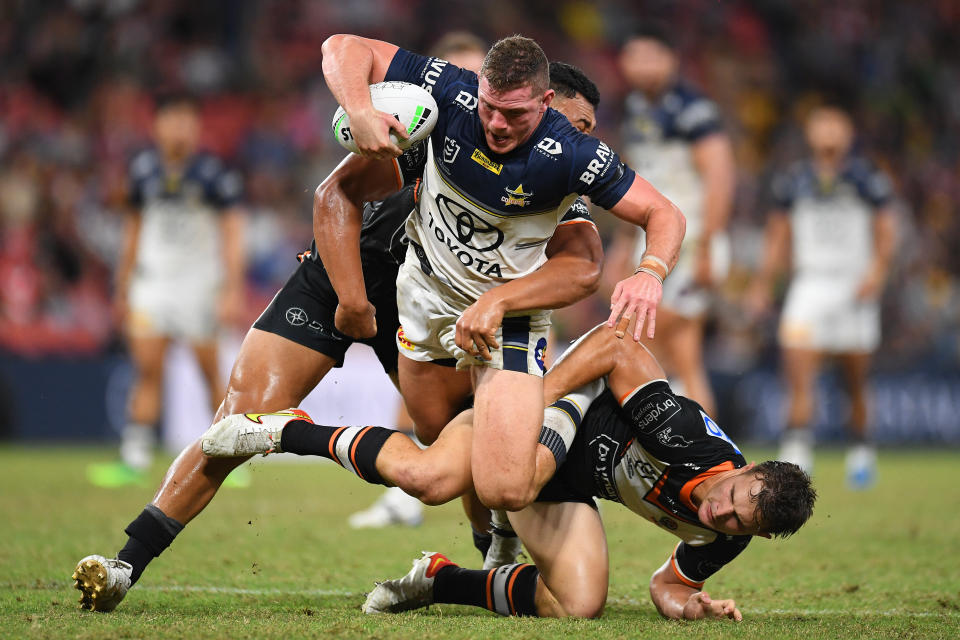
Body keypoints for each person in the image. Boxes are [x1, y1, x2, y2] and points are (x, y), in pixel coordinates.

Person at [71, 65, 609, 612]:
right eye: (581, 124)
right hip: (343, 271)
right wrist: (352, 297)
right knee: (239, 416)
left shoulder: (565, 185)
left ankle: (496, 552)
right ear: (541, 105)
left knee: (459, 436)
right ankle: (126, 563)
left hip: (427, 308)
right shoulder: (451, 134)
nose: (588, 143)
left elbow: (583, 263)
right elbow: (336, 194)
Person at [199, 324, 816, 621]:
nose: (718, 513)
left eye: (737, 521)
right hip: (543, 419)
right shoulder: (681, 438)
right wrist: (538, 399)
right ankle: (283, 429)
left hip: (567, 484)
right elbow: (616, 346)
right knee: (429, 481)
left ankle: (438, 581)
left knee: (577, 605)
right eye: (732, 498)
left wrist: (689, 609)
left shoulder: (725, 535)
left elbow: (668, 586)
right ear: (746, 467)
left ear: (755, 534)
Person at [319, 33, 686, 520]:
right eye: (490, 107)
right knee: (439, 441)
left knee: (503, 486)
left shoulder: (573, 155)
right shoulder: (452, 92)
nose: (495, 123)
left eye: (514, 114)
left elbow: (664, 214)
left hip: (507, 316)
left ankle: (558, 416)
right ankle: (493, 540)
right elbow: (342, 46)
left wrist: (651, 273)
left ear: (545, 101)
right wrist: (359, 106)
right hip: (425, 296)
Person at [346, 31, 490, 530]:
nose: (465, 95)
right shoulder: (402, 138)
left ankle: (513, 514)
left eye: (475, 80)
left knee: (491, 403)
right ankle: (407, 494)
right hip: (419, 286)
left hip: (490, 296)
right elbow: (345, 197)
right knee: (414, 392)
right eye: (456, 79)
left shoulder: (511, 150)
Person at [87, 93, 246, 488]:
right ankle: (134, 458)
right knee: (147, 370)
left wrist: (231, 288)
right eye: (172, 119)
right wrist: (122, 286)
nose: (180, 128)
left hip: (198, 285)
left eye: (187, 120)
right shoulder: (141, 171)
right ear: (156, 125)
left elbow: (232, 232)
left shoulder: (214, 173)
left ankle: (229, 460)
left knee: (209, 373)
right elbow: (133, 229)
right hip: (153, 283)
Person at [747, 105, 896, 487]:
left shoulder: (868, 178)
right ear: (809, 133)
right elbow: (777, 236)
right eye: (821, 124)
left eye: (836, 123)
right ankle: (797, 454)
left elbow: (886, 231)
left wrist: (877, 272)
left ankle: (862, 453)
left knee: (856, 379)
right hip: (810, 285)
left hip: (853, 286)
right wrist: (763, 283)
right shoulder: (793, 181)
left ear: (849, 132)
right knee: (797, 371)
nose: (829, 131)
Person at [607, 26, 736, 416]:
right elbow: (635, 181)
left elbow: (720, 176)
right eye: (634, 56)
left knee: (644, 339)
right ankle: (707, 453)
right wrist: (625, 244)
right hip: (650, 241)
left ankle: (662, 430)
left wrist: (710, 246)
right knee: (684, 355)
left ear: (670, 60)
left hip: (691, 241)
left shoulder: (694, 110)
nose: (641, 66)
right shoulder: (633, 109)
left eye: (651, 56)